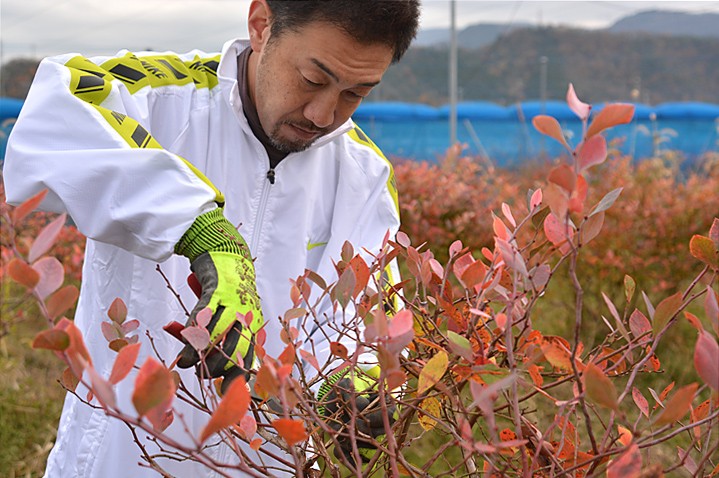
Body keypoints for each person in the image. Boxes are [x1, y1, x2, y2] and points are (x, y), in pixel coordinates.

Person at [3, 0, 420, 476]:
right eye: (312, 79)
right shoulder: (159, 96)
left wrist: (356, 384)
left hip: (265, 463)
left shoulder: (363, 174)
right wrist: (201, 229)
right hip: (121, 457)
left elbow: (367, 320)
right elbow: (56, 112)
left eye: (356, 93)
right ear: (262, 24)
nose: (324, 114)